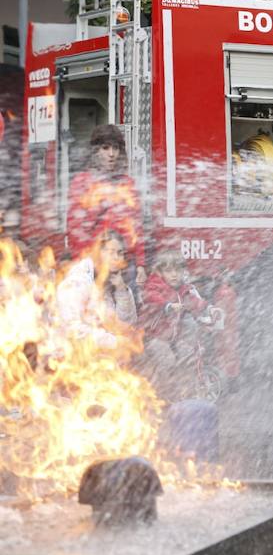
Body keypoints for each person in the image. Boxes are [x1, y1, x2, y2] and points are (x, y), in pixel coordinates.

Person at [66, 125, 146, 286]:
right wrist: (86, 265)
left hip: (125, 266)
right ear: (95, 151)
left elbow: (137, 228)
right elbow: (76, 231)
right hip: (94, 266)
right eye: (105, 148)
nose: (111, 154)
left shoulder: (128, 184)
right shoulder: (82, 182)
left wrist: (140, 265)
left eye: (115, 148)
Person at [138, 250, 215, 402]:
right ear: (160, 272)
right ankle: (160, 393)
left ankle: (184, 389)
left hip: (173, 336)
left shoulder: (183, 289)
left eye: (177, 270)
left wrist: (208, 307)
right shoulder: (155, 286)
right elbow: (151, 296)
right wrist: (167, 305)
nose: (174, 275)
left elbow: (193, 301)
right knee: (167, 359)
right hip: (154, 336)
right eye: (168, 271)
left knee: (189, 353)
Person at [57, 230, 138, 351]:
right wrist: (113, 342)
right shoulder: (78, 280)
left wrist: (121, 290)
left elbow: (126, 324)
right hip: (73, 355)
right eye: (111, 252)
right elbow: (72, 328)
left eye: (120, 253)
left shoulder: (110, 280)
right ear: (99, 252)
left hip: (105, 355)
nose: (116, 258)